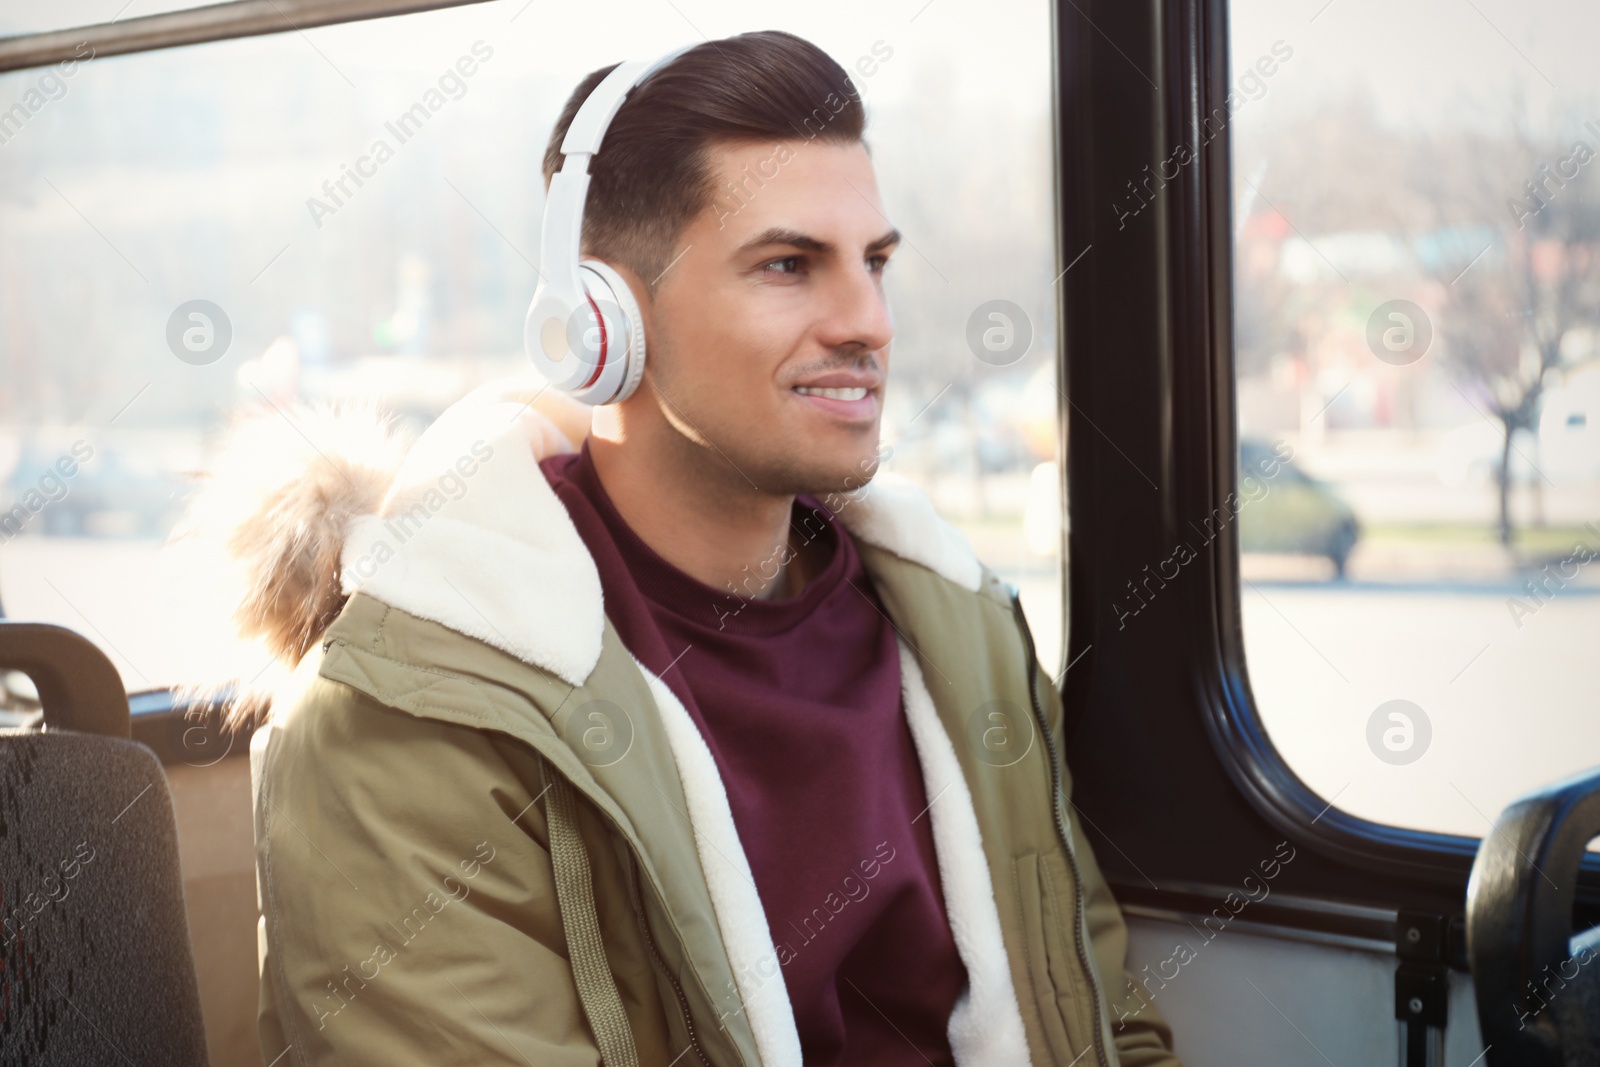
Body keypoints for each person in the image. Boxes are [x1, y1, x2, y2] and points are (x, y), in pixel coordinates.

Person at [186, 28, 1181, 1067]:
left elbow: (1102, 1026)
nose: (868, 321)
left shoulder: (960, 629)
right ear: (597, 321)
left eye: (874, 262)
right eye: (789, 265)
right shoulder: (409, 719)